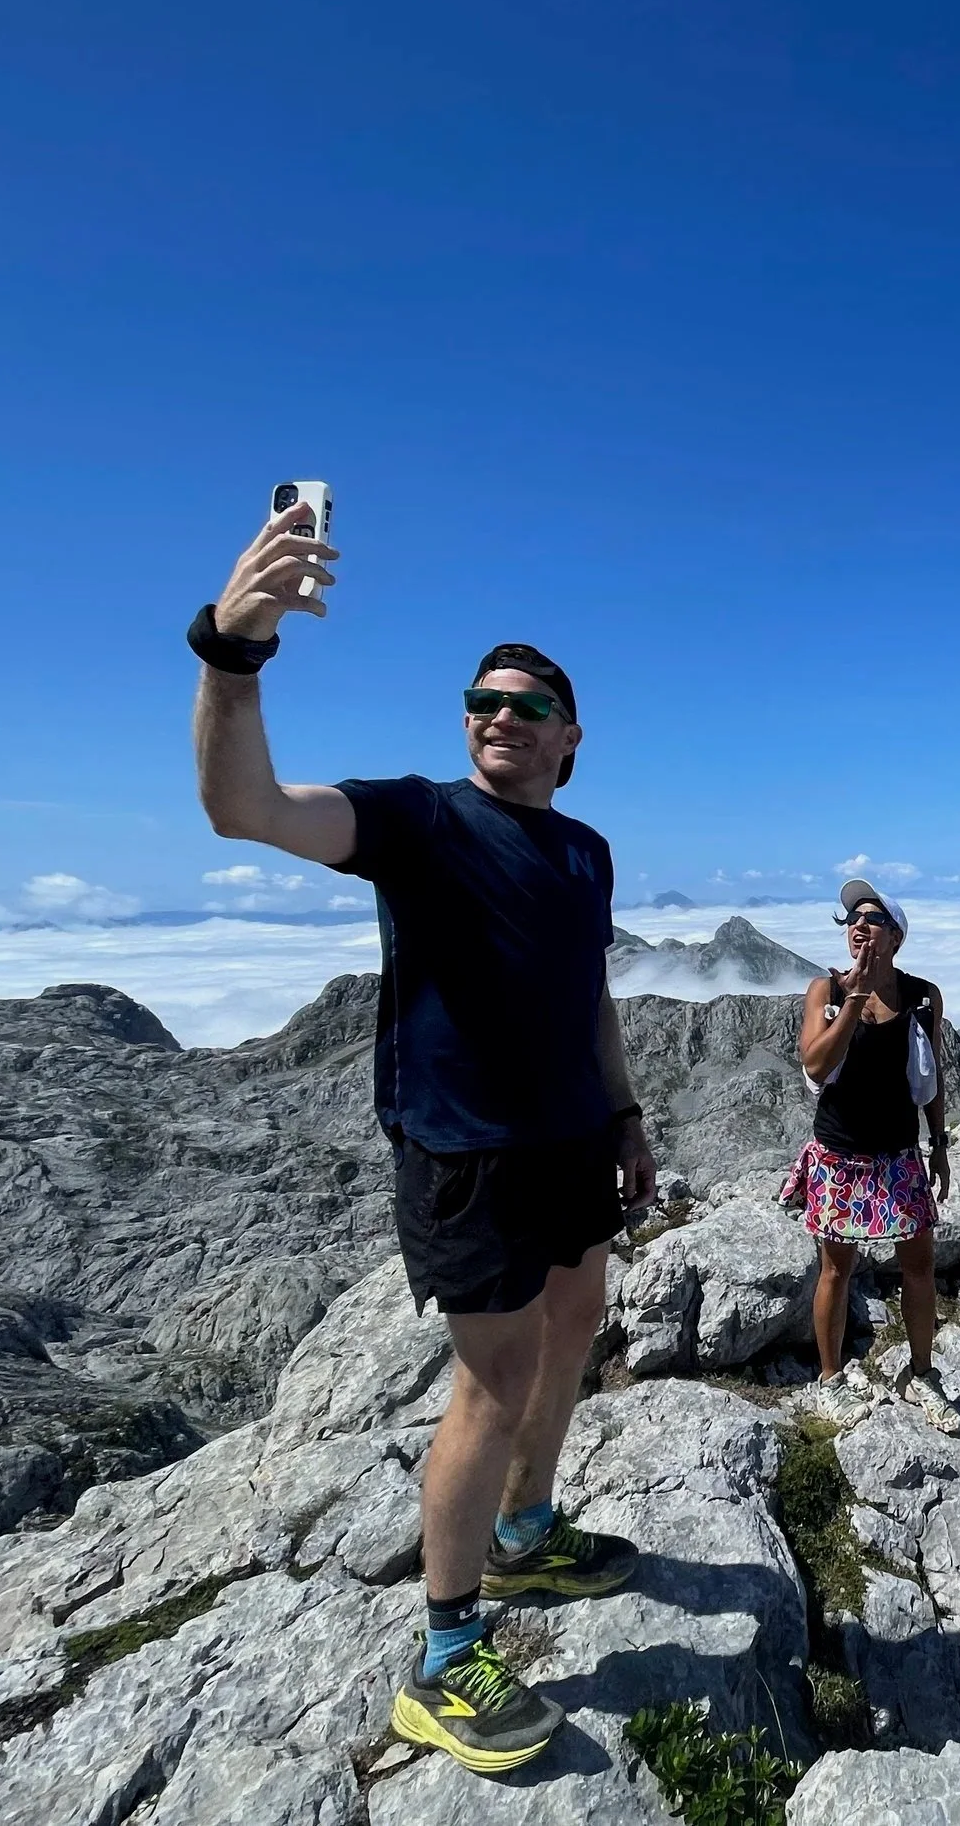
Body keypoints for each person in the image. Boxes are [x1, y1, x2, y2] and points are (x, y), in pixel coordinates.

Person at [190, 504, 657, 1777]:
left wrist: (623, 1112)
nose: (497, 714)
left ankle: (528, 1533)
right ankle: (445, 1658)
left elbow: (589, 995)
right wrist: (233, 654)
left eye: (525, 704)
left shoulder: (585, 852)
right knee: (491, 1385)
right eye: (481, 700)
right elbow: (246, 810)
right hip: (467, 1154)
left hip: (571, 1139)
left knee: (573, 1331)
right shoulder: (419, 820)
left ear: (571, 739)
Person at [786, 878, 960, 1435]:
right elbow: (815, 1064)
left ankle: (921, 1373)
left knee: (921, 1265)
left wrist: (939, 1144)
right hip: (839, 1156)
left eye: (871, 918)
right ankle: (831, 1381)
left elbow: (930, 1078)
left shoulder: (923, 996)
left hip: (899, 1153)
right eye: (851, 919)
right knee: (837, 1270)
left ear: (896, 936)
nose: (857, 926)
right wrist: (855, 997)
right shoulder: (827, 991)